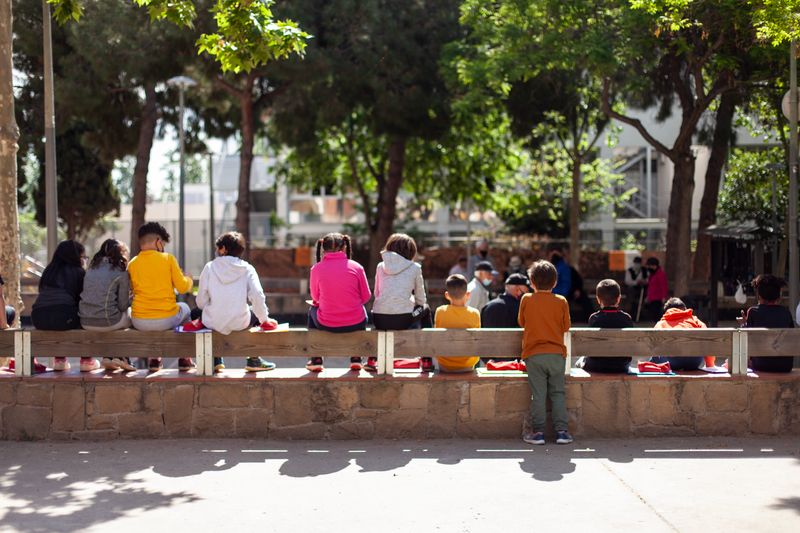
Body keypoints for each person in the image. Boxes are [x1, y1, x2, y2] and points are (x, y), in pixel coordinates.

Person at [193, 231, 278, 373]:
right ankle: (254, 359)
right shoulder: (247, 268)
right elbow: (257, 295)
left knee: (196, 313)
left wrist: (209, 307)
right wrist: (264, 319)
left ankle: (214, 358)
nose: (217, 250)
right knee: (256, 314)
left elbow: (201, 301)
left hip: (213, 321)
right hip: (240, 321)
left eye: (218, 247)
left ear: (224, 249)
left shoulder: (209, 267)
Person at [518, 260, 573, 446]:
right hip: (557, 354)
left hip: (534, 354)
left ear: (531, 282)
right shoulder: (561, 301)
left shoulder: (526, 299)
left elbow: (521, 321)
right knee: (558, 393)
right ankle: (562, 432)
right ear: (555, 282)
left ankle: (538, 432)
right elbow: (566, 326)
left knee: (538, 394)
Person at [128, 222, 194, 372]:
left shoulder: (132, 264)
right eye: (163, 243)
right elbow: (183, 287)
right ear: (158, 241)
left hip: (139, 321)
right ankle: (185, 358)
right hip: (166, 319)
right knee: (186, 309)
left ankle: (154, 359)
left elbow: (131, 290)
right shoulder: (168, 259)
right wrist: (188, 278)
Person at [306, 232, 371, 373]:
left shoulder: (316, 269)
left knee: (311, 310)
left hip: (326, 322)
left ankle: (316, 358)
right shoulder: (357, 267)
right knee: (362, 310)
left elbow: (315, 298)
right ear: (344, 248)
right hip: (356, 322)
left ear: (323, 249)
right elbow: (366, 297)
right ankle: (356, 358)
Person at [31, 240, 99, 372]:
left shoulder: (49, 271)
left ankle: (60, 360)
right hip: (63, 316)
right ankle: (86, 360)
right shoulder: (78, 272)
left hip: (38, 317)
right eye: (83, 257)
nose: (84, 260)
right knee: (83, 316)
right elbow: (82, 301)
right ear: (75, 257)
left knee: (62, 315)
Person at [372, 233, 432, 372]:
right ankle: (427, 358)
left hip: (380, 318)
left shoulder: (380, 266)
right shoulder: (415, 267)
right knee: (426, 309)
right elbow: (421, 300)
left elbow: (377, 293)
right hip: (403, 319)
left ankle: (372, 359)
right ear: (411, 251)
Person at [79, 239, 135, 372]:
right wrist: (132, 299)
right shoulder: (121, 272)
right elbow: (122, 306)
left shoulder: (91, 269)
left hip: (85, 321)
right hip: (108, 321)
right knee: (129, 315)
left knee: (112, 314)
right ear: (121, 254)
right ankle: (123, 358)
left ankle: (109, 356)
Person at [743, 275, 795, 373]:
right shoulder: (786, 313)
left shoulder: (753, 312)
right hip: (785, 366)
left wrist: (744, 325)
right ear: (778, 296)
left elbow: (747, 342)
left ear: (759, 295)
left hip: (760, 365)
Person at [650, 298, 716, 371]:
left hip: (671, 361)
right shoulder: (695, 320)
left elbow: (653, 344)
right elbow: (708, 339)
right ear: (685, 309)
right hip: (693, 361)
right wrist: (710, 365)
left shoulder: (661, 323)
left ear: (666, 312)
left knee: (655, 356)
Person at [582, 279, 634, 373]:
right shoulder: (626, 318)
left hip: (596, 365)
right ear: (619, 298)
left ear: (598, 299)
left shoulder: (593, 318)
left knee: (580, 360)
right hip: (621, 365)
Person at [433, 274, 481, 373]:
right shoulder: (475, 313)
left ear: (447, 295)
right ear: (468, 295)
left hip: (445, 364)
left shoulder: (440, 312)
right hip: (467, 364)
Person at [480, 273, 529, 364]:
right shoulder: (521, 308)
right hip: (515, 363)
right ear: (518, 290)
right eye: (524, 293)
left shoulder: (488, 306)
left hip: (490, 362)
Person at [644, 257, 668, 322]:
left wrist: (663, 297)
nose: (648, 267)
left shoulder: (660, 274)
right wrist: (648, 297)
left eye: (649, 266)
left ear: (654, 265)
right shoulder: (652, 274)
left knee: (657, 315)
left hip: (658, 298)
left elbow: (663, 286)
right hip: (652, 298)